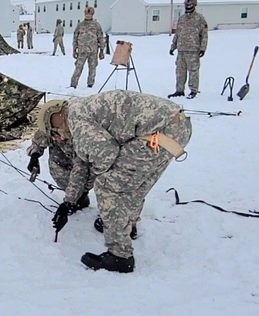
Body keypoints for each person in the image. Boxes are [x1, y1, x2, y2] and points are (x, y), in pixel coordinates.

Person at [43, 90, 192, 273]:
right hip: (177, 127)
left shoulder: (76, 120)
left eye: (53, 129)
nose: (57, 135)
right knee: (134, 184)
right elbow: (83, 162)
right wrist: (69, 201)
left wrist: (99, 180)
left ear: (56, 116)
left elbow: (105, 155)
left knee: (108, 186)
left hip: (156, 132)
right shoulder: (81, 110)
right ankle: (128, 225)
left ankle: (119, 255)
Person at [27, 101, 94, 211]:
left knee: (84, 176)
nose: (57, 137)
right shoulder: (53, 124)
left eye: (56, 133)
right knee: (58, 167)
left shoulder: (82, 131)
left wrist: (75, 196)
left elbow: (83, 169)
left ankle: (81, 197)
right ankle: (73, 193)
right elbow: (41, 137)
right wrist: (35, 155)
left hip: (86, 159)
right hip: (67, 155)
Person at [168, 0, 208, 99]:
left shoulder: (199, 19)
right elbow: (177, 33)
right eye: (186, 5)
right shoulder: (182, 18)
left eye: (190, 5)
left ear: (194, 5)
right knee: (180, 71)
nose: (188, 7)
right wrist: (173, 46)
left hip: (193, 50)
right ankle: (179, 90)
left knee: (193, 71)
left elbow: (204, 34)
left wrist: (203, 48)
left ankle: (193, 90)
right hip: (181, 50)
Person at [70, 6, 105, 88]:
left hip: (93, 51)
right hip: (82, 51)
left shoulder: (96, 25)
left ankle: (90, 84)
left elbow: (100, 38)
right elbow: (75, 37)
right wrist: (74, 50)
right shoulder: (80, 25)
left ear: (92, 14)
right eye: (86, 14)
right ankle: (73, 84)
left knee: (92, 68)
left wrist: (102, 51)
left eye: (89, 14)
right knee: (78, 68)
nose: (88, 15)